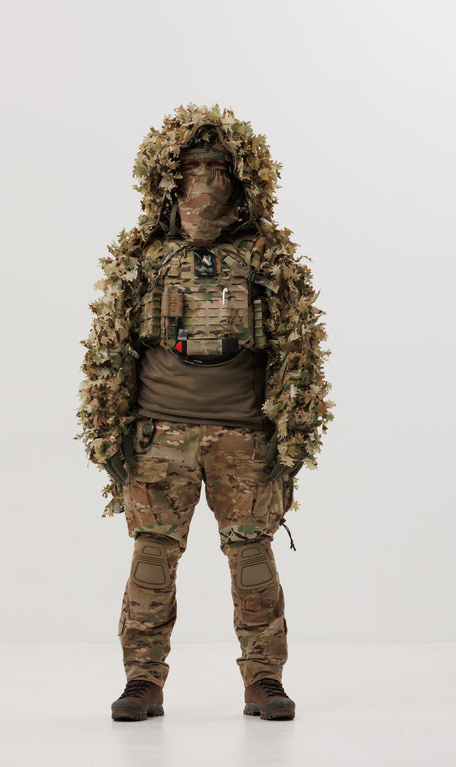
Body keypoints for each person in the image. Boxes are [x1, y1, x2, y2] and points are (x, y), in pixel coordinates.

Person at [77, 104, 332, 721]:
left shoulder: (268, 259)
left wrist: (292, 440)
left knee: (252, 558)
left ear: (242, 180)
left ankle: (264, 679)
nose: (205, 185)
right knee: (153, 557)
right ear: (167, 180)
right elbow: (110, 349)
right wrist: (107, 434)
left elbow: (298, 353)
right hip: (158, 434)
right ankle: (142, 681)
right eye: (193, 169)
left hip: (245, 438)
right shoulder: (144, 259)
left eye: (218, 170)